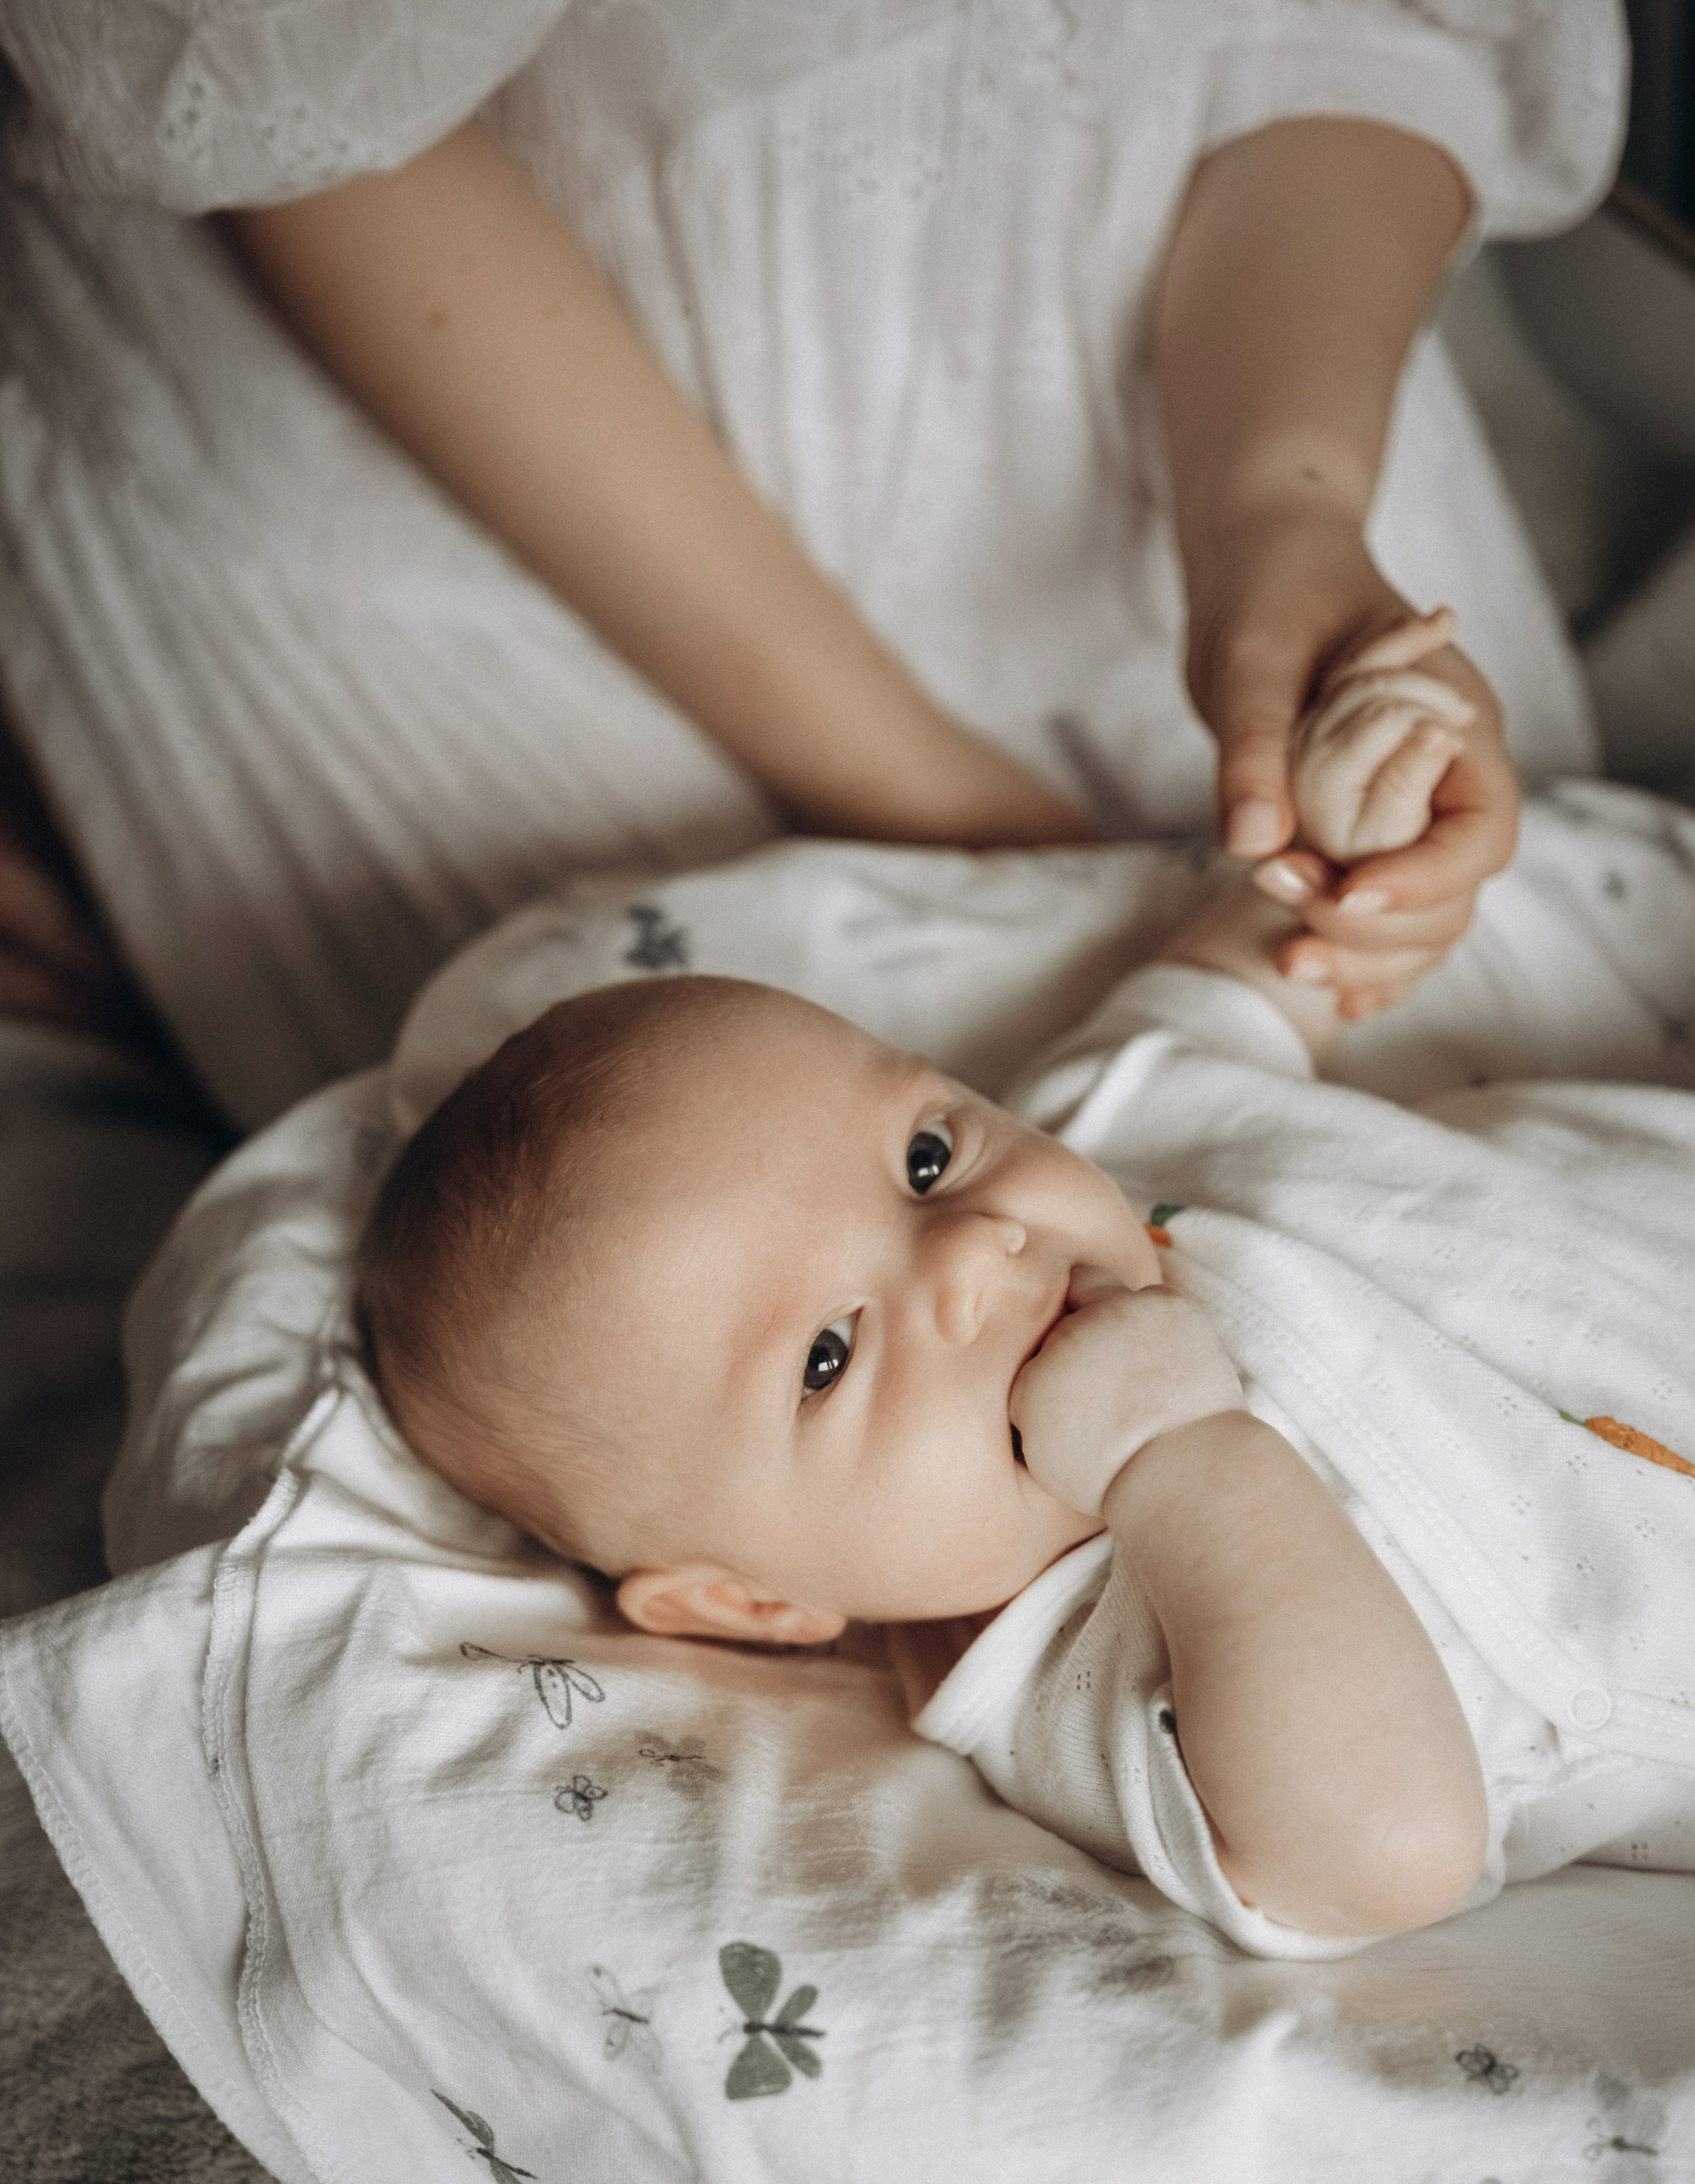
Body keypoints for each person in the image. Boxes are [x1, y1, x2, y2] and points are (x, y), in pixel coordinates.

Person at [0, 3, 1618, 1123]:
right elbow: (293, 113)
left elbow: (1361, 34)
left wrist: (1285, 516)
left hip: (1226, 324)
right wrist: (946, 819)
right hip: (474, 407)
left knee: (1487, 1050)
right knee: (561, 1198)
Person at [356, 646, 1695, 1960]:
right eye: (825, 1356)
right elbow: (1384, 1854)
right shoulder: (1076, 1677)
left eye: (923, 1158)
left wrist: (1356, 823)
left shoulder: (1113, 1116)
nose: (970, 1250)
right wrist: (1180, 1461)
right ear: (750, 1601)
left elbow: (1290, 943)